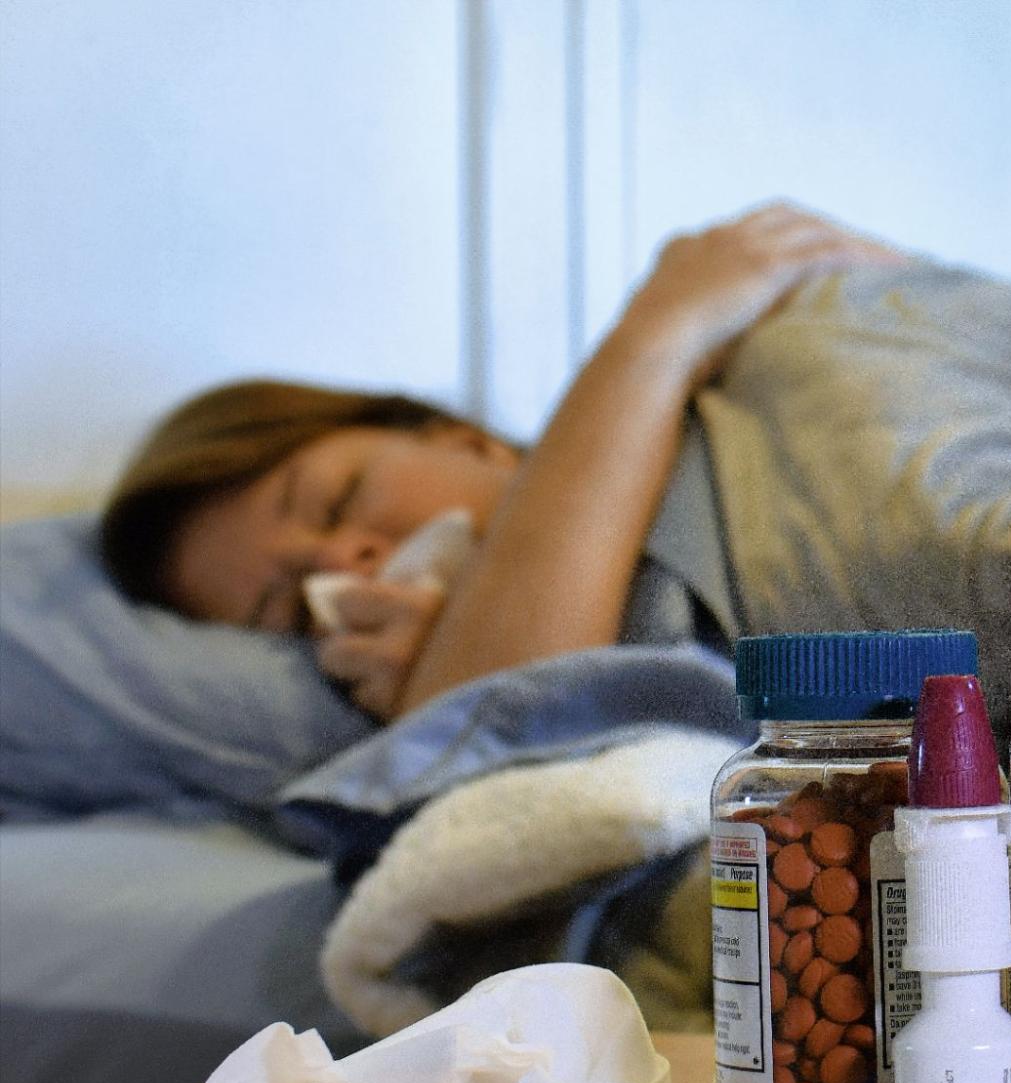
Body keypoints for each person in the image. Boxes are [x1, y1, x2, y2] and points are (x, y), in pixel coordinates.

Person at [101, 204, 904, 719]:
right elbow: (507, 708)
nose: (340, 561)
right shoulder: (469, 704)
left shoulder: (720, 358)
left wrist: (660, 325)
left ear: (458, 438)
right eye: (288, 610)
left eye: (335, 500)